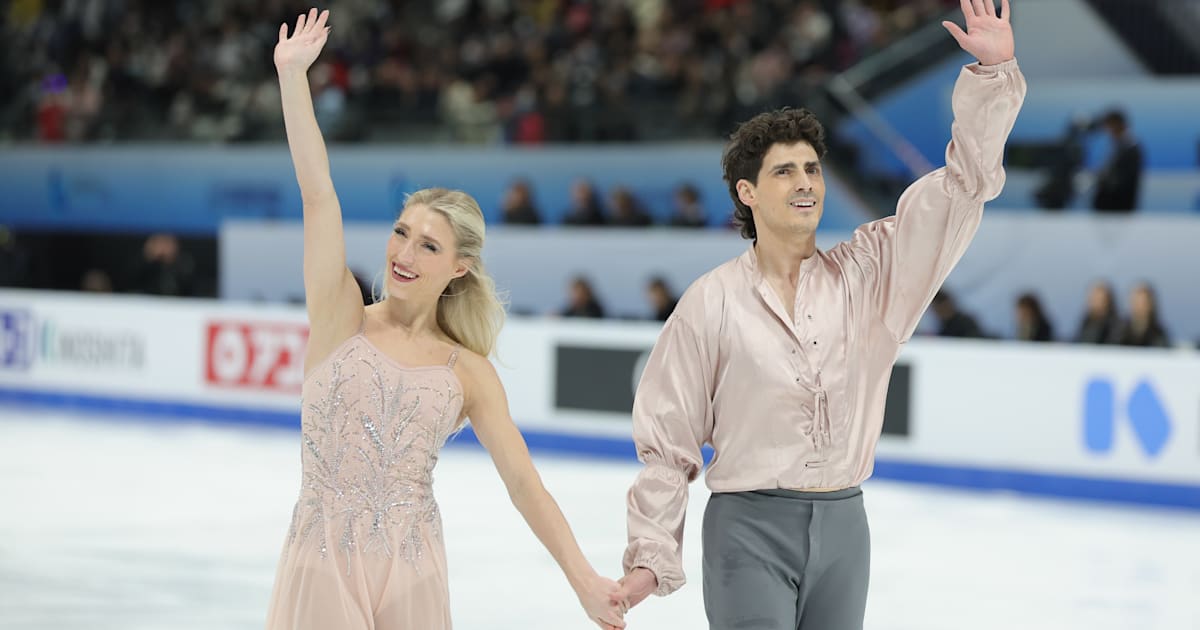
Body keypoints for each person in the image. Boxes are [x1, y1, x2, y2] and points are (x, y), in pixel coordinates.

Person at [615, 2, 1025, 629]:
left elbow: (963, 187)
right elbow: (667, 442)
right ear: (747, 194)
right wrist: (650, 553)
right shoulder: (711, 301)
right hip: (745, 530)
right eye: (784, 171)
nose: (805, 181)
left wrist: (992, 78)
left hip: (845, 527)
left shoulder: (873, 275)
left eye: (812, 168)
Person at [264, 10, 626, 630]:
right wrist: (293, 77)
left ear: (460, 267)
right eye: (402, 234)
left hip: (415, 571)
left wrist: (585, 580)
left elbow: (524, 485)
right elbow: (319, 193)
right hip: (321, 561)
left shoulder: (469, 373)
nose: (404, 255)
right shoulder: (340, 316)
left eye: (428, 247)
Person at [1091, 109, 1143, 213]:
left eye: (1108, 126)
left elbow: (1120, 179)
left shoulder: (1129, 146)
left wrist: (1100, 179)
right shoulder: (1119, 144)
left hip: (1118, 208)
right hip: (1113, 207)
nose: (1106, 130)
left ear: (1117, 124)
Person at [1113, 282, 1170, 348]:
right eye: (1138, 302)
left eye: (1144, 303)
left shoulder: (1158, 334)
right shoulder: (1119, 331)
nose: (1141, 307)